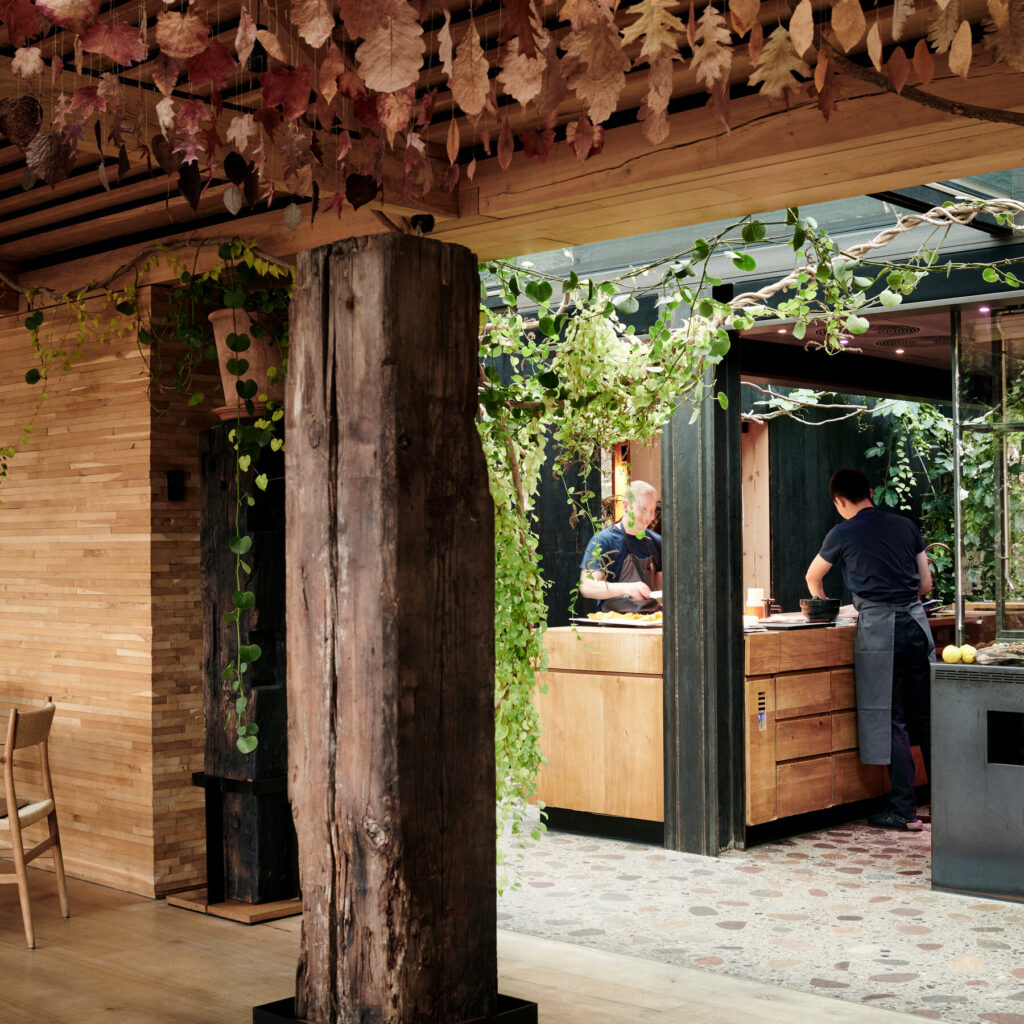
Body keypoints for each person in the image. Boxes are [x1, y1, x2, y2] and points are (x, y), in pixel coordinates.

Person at [805, 468, 934, 832]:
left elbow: (813, 577)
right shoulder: (906, 526)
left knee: (890, 715)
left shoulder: (842, 532)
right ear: (872, 493)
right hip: (916, 625)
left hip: (880, 631)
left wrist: (829, 607)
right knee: (928, 715)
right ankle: (949, 804)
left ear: (838, 501)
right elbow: (925, 583)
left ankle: (903, 810)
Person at [580, 480, 662, 613]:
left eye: (652, 511)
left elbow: (661, 589)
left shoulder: (657, 542)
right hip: (614, 622)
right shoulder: (603, 541)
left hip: (650, 620)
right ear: (626, 505)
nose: (648, 517)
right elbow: (587, 586)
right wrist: (627, 588)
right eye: (643, 509)